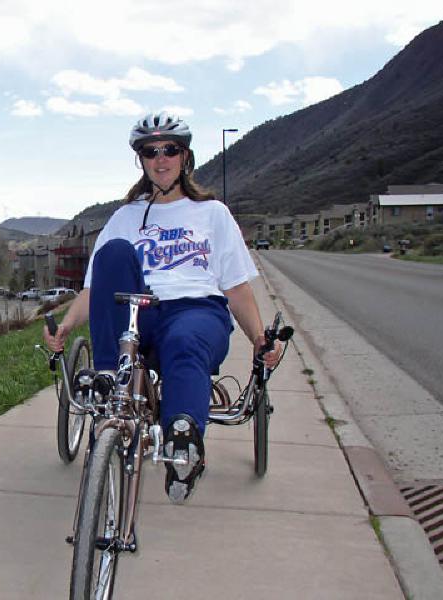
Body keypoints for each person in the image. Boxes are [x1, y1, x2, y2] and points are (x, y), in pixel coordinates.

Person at [44, 111, 281, 504]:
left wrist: (259, 338)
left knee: (186, 342)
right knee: (114, 253)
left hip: (197, 309)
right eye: (150, 151)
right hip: (140, 312)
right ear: (141, 160)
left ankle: (183, 444)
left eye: (170, 149)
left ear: (185, 156)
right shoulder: (124, 217)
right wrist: (65, 329)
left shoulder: (213, 214)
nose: (160, 158)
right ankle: (107, 375)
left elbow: (236, 287)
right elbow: (95, 289)